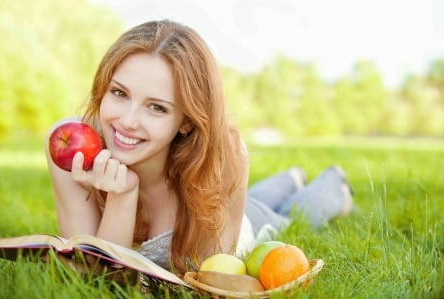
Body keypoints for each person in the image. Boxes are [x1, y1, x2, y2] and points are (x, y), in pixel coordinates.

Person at [45, 19, 353, 274]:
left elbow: (213, 272)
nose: (127, 121)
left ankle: (335, 183)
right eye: (119, 93)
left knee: (293, 214)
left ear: (187, 121)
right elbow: (91, 277)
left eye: (157, 108)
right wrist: (122, 196)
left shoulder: (223, 154)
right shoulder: (71, 150)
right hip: (235, 201)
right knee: (265, 197)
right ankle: (292, 177)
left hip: (240, 224)